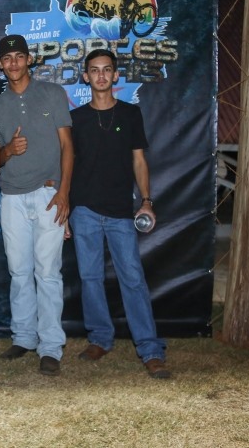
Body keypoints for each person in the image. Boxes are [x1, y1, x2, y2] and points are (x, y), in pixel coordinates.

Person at [68, 48, 170, 379]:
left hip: (121, 212)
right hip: (83, 209)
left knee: (133, 279)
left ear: (114, 75)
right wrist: (66, 207)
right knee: (90, 278)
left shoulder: (130, 114)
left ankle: (150, 349)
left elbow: (139, 160)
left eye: (106, 69)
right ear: (86, 77)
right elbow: (67, 165)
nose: (100, 75)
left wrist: (146, 200)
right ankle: (100, 338)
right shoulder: (76, 119)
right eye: (94, 70)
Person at [0, 34, 73, 376]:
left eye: (18, 57)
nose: (13, 63)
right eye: (7, 58)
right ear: (0, 64)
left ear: (29, 60)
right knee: (19, 271)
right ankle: (24, 337)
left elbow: (68, 147)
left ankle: (51, 346)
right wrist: (8, 150)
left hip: (48, 193)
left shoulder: (52, 93)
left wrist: (64, 193)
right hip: (12, 196)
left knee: (48, 273)